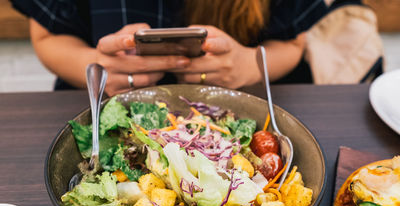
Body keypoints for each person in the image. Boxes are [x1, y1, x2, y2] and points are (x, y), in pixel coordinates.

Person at [12, 0, 327, 96]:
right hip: (99, 112)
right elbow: (48, 37)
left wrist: (249, 66)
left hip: (246, 106)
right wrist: (96, 66)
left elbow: (291, 43)